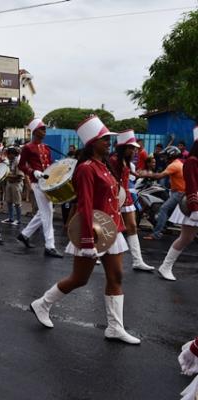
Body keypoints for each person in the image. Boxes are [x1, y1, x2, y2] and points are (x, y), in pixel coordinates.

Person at [30, 116, 140, 345]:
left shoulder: (105, 165)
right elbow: (85, 205)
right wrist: (88, 241)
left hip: (111, 228)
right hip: (93, 231)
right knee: (80, 279)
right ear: (92, 143)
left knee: (116, 276)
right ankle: (43, 303)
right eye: (104, 139)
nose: (108, 143)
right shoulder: (86, 169)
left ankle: (115, 327)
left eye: (109, 139)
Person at [155, 126, 198, 281]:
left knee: (188, 238)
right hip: (193, 202)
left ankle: (165, 266)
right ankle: (165, 266)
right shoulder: (192, 161)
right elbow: (192, 184)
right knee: (186, 238)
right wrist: (194, 208)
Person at [17, 118, 63, 258]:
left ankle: (25, 235)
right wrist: (32, 172)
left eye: (45, 129)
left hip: (47, 182)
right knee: (47, 213)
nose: (45, 131)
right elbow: (21, 165)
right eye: (42, 129)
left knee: (45, 211)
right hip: (37, 183)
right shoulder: (27, 147)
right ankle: (50, 246)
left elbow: (48, 164)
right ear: (35, 131)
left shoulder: (46, 147)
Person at [109, 130, 154, 271]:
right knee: (110, 227)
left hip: (126, 197)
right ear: (123, 148)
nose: (134, 151)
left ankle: (137, 261)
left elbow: (133, 174)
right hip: (115, 197)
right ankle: (96, 254)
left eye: (135, 148)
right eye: (131, 148)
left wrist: (147, 174)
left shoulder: (126, 162)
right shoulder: (113, 160)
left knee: (133, 227)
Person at [141, 146, 185, 240]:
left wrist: (145, 174)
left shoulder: (174, 165)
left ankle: (156, 234)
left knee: (163, 209)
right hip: (175, 191)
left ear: (170, 155)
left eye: (165, 156)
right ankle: (163, 225)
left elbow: (159, 176)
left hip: (179, 193)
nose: (164, 158)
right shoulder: (177, 163)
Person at [2, 146, 25, 226]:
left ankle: (18, 219)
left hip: (16, 184)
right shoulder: (9, 161)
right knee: (9, 201)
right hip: (9, 183)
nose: (7, 156)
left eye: (8, 154)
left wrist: (7, 176)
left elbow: (19, 176)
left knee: (17, 202)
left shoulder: (18, 162)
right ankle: (11, 218)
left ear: (13, 154)